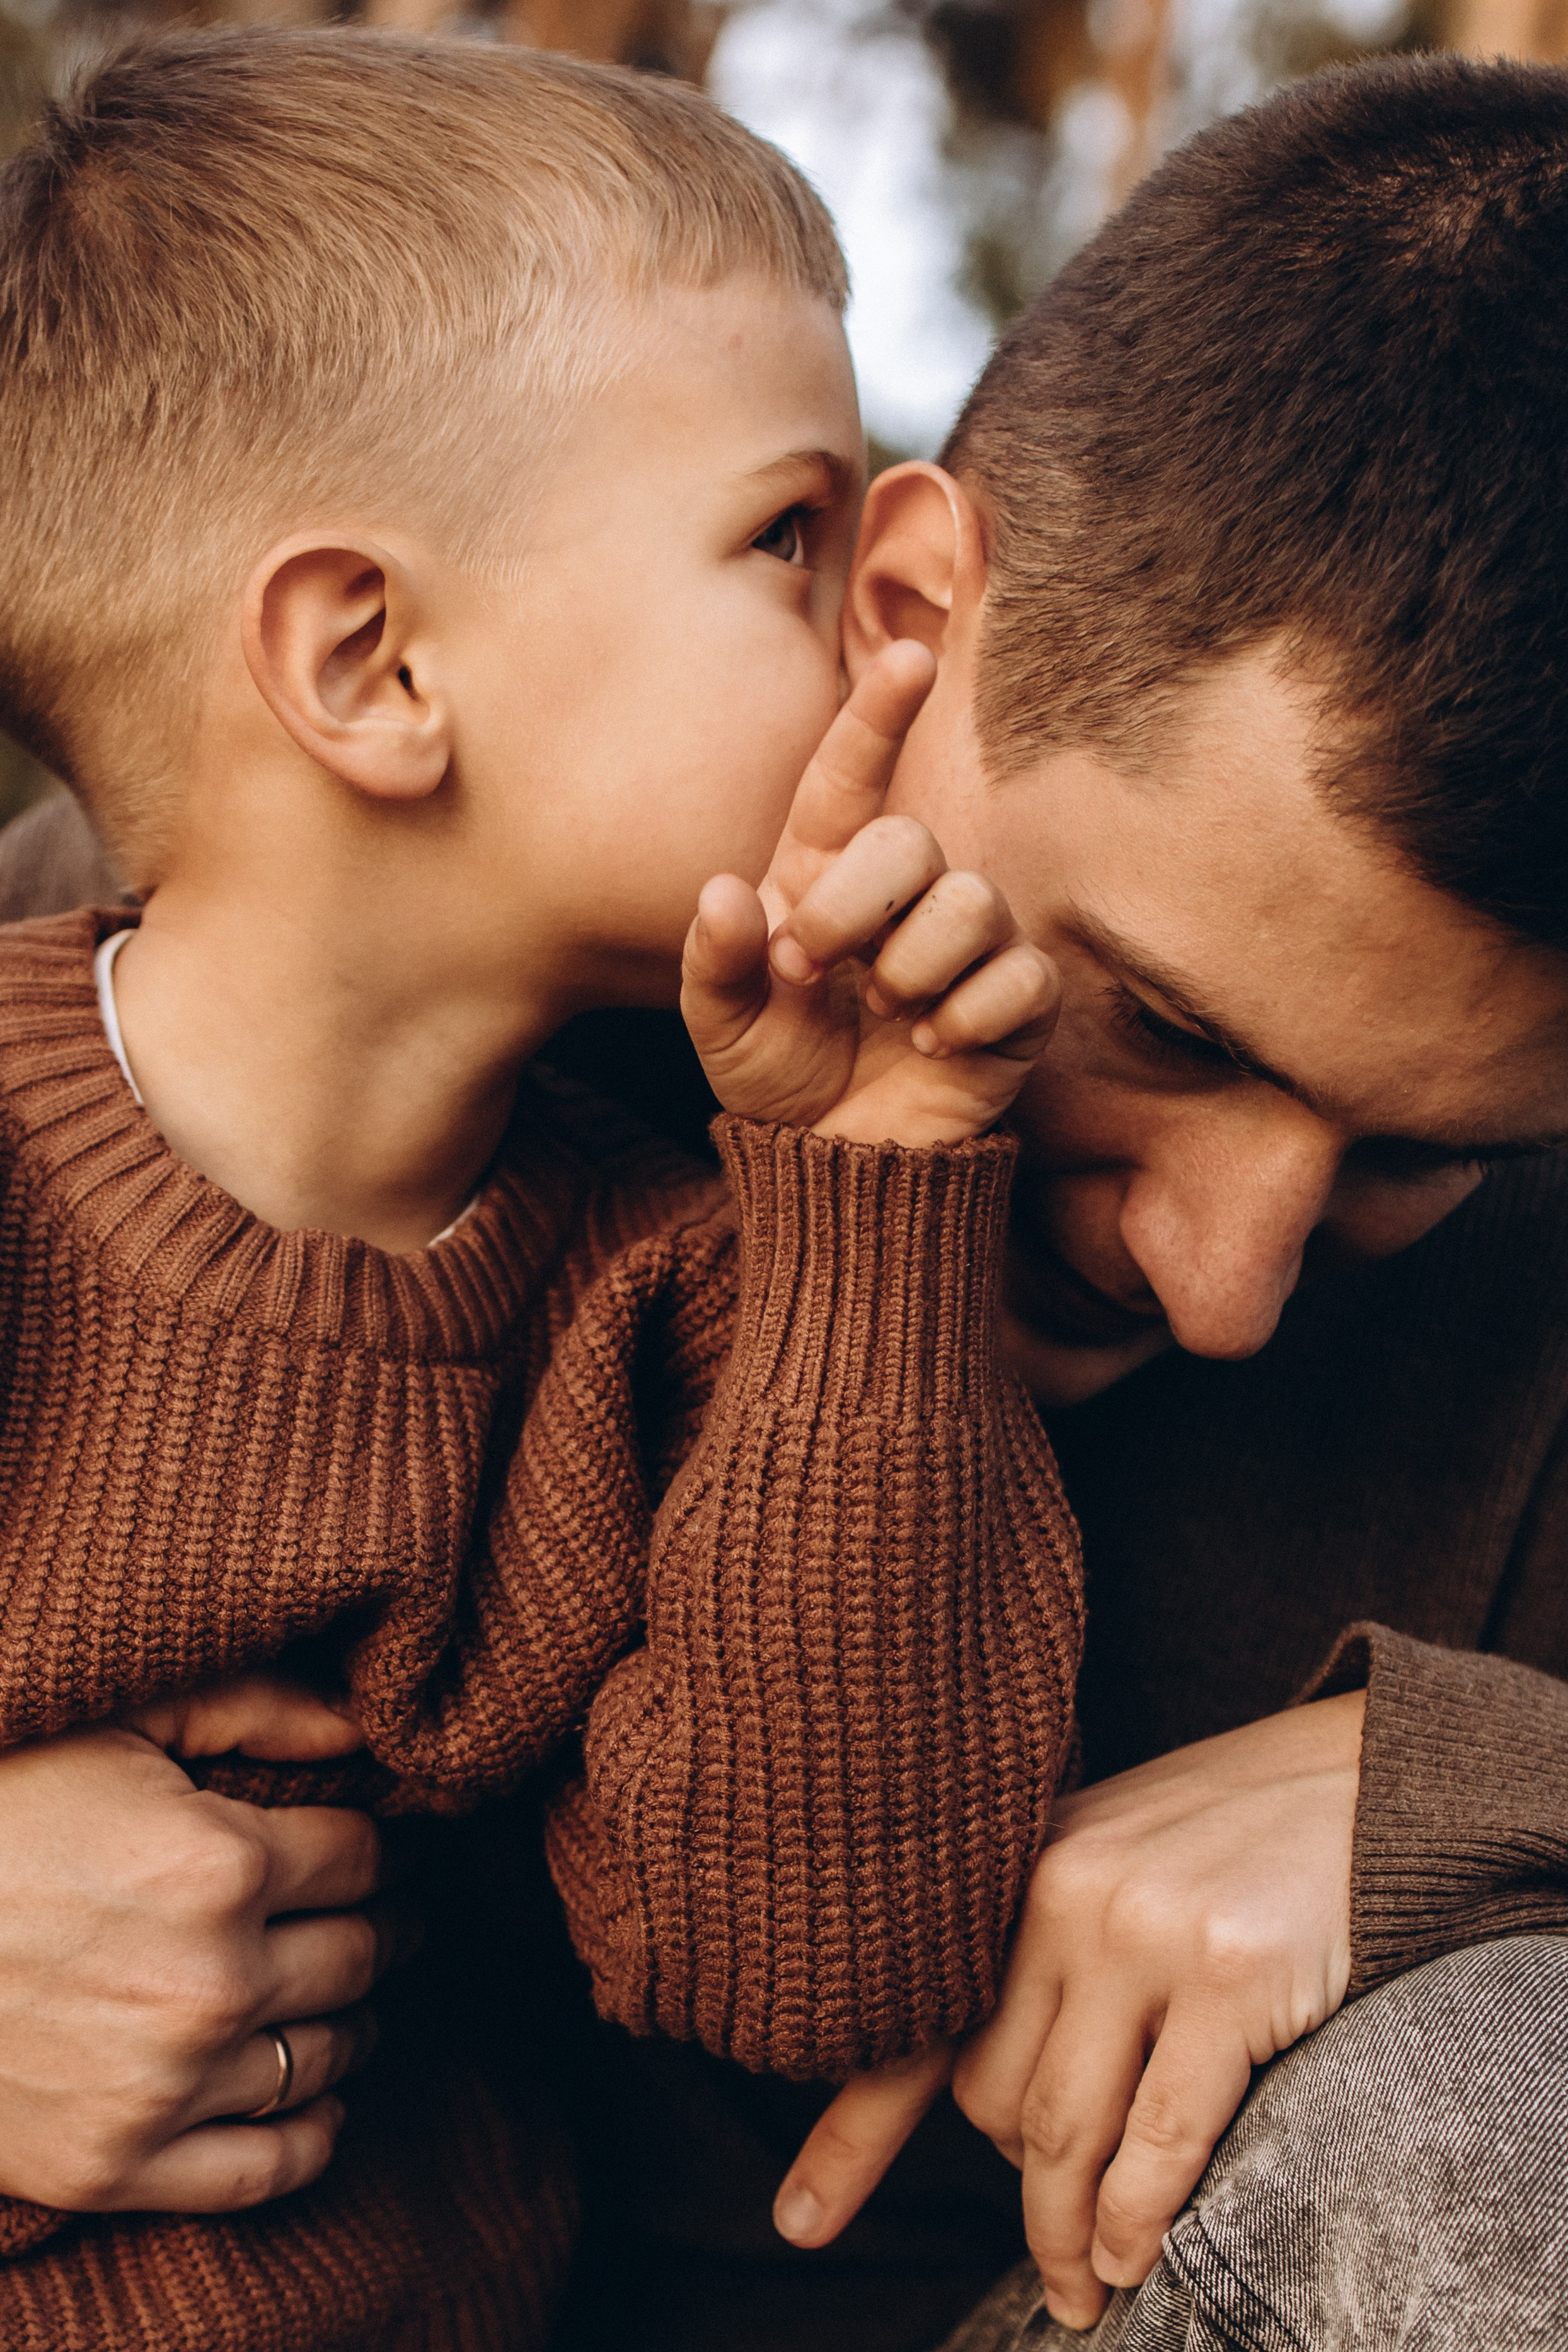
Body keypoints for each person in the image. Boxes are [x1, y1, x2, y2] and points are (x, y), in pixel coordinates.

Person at [0, 27, 1082, 2349]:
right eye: (787, 533)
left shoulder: (682, 1275)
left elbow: (812, 1954)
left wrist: (876, 1184)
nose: (894, 615)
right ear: (376, 665)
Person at [748, 52, 1568, 2352]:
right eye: (1169, 1030)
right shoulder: (248, 970)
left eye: (1419, 1153)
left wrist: (1492, 1783)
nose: (1227, 1287)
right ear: (909, 619)